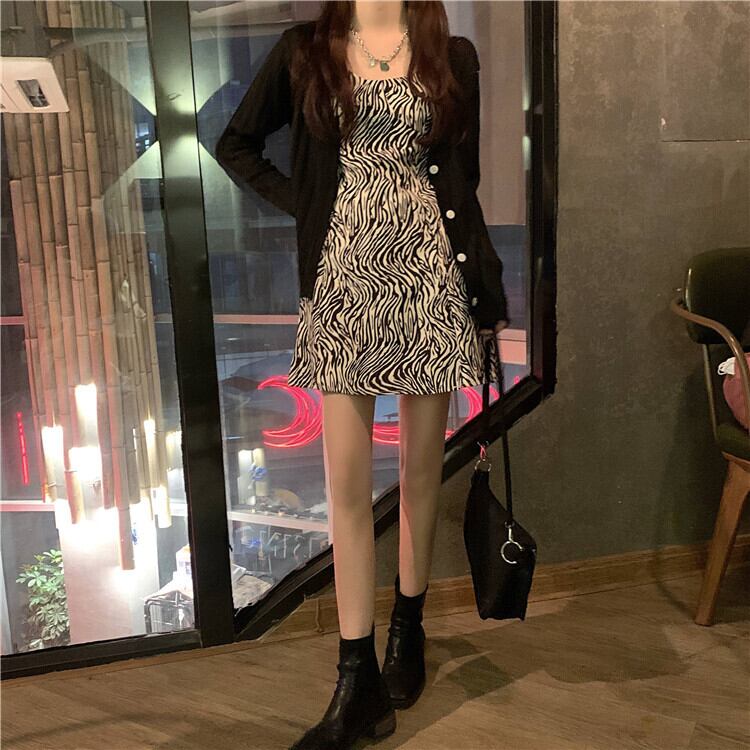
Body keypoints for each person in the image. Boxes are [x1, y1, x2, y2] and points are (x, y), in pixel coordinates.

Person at [216, 2, 510, 748]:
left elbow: (464, 180)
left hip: (430, 277)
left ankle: (408, 630)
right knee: (346, 486)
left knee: (419, 475)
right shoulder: (305, 51)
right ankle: (356, 679)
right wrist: (307, 203)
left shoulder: (452, 54)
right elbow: (235, 142)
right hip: (342, 281)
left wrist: (484, 290)